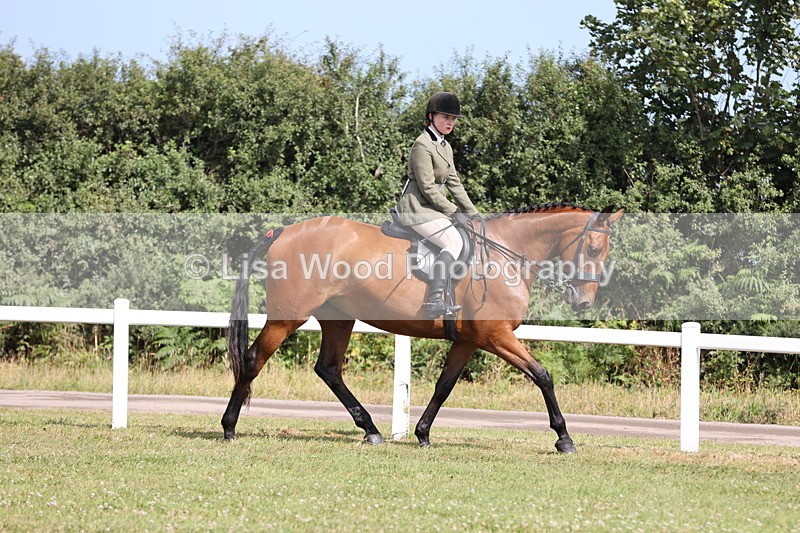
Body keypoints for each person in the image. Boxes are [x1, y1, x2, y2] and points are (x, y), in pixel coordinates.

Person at [396, 91, 480, 319]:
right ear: (431, 116)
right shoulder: (422, 144)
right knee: (452, 241)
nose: (450, 122)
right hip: (417, 208)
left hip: (433, 208)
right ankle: (434, 300)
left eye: (453, 118)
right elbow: (427, 187)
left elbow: (454, 183)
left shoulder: (446, 147)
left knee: (467, 233)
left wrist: (474, 214)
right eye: (445, 117)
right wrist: (454, 211)